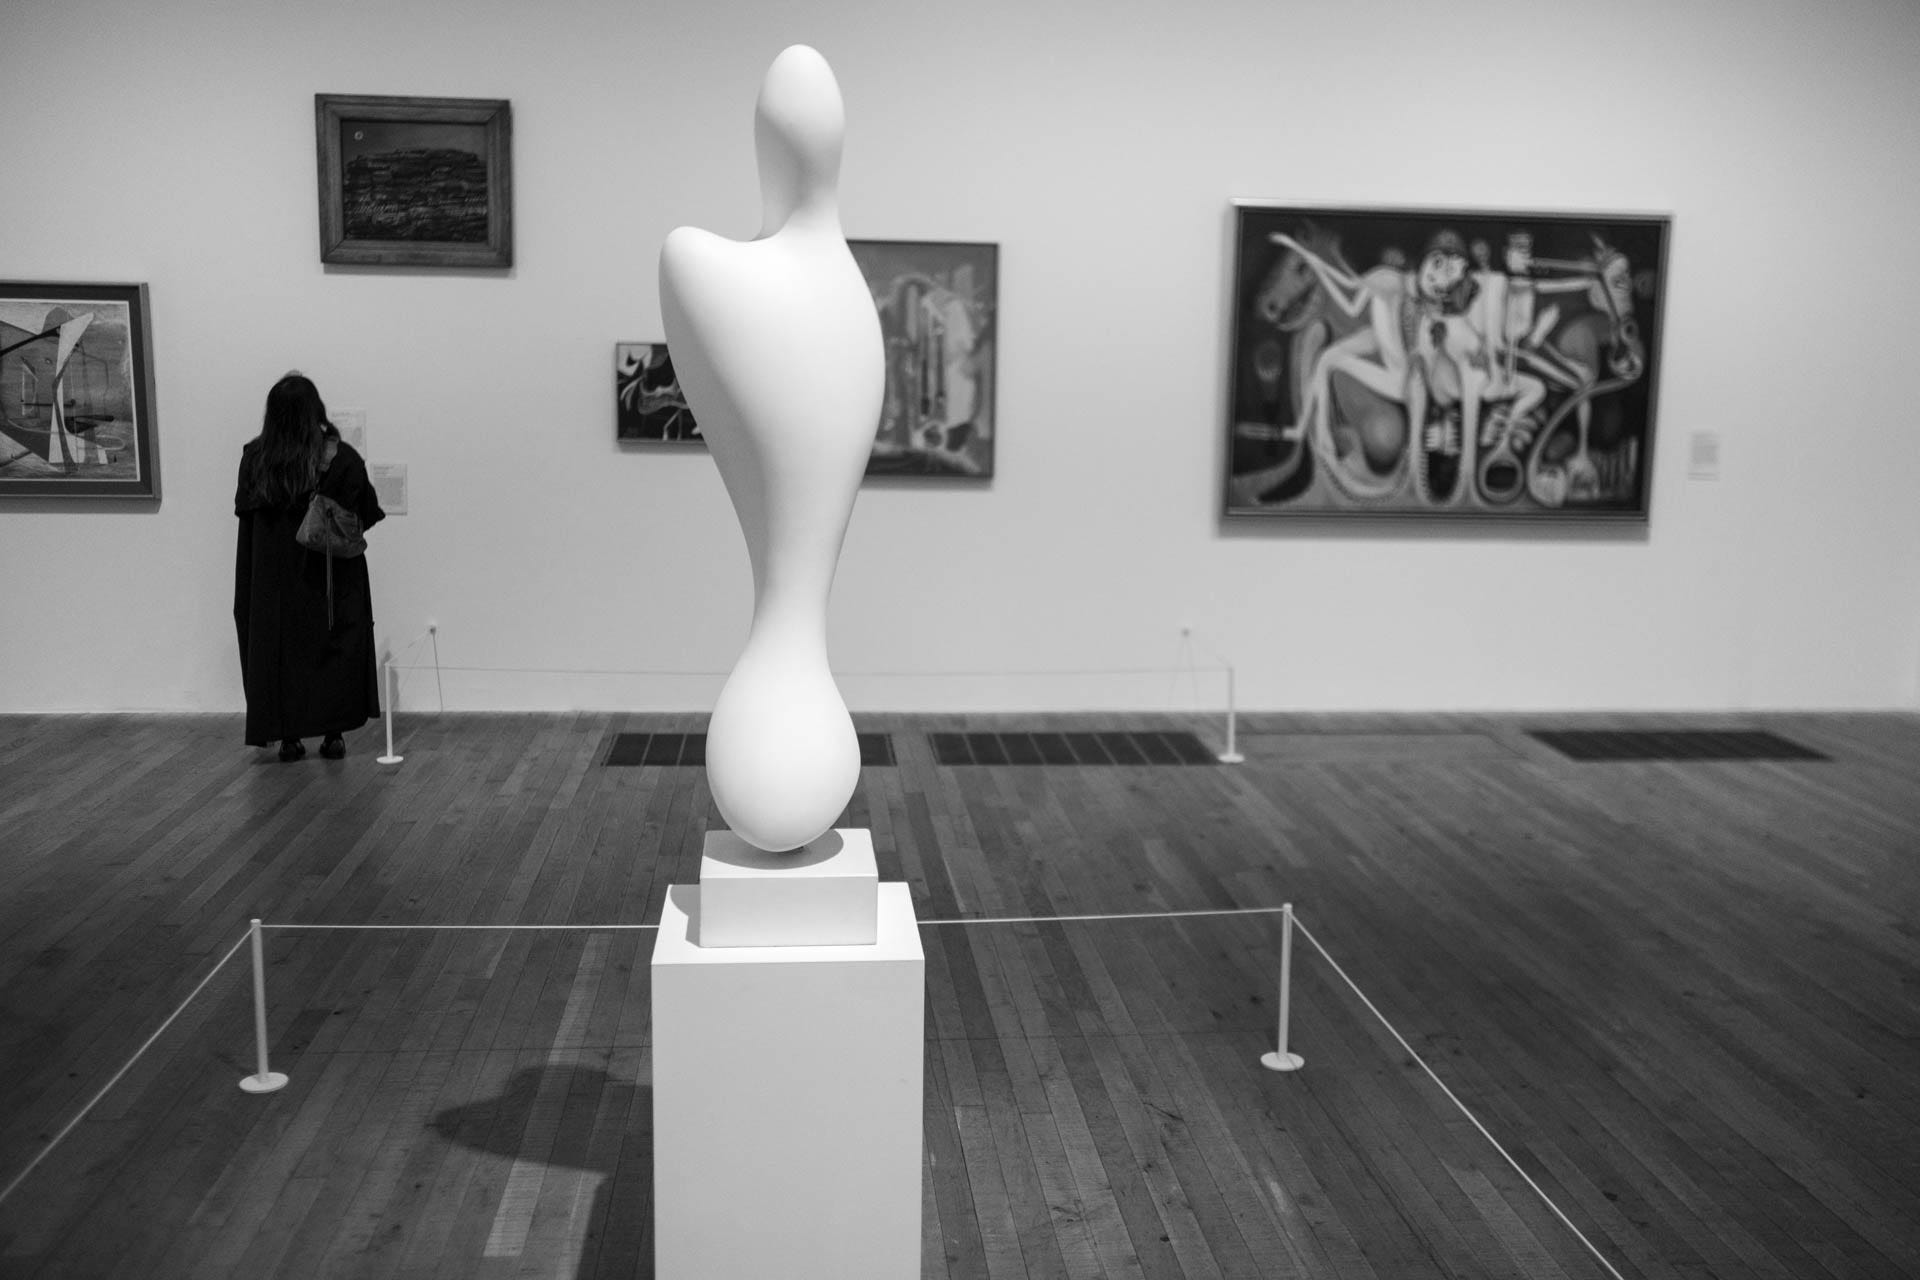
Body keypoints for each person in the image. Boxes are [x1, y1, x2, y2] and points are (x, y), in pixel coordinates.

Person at [234, 372, 385, 760]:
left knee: (283, 654)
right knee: (332, 648)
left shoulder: (255, 460)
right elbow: (366, 513)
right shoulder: (340, 458)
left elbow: (247, 523)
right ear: (315, 409)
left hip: (274, 582)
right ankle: (333, 733)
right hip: (329, 576)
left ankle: (289, 736)